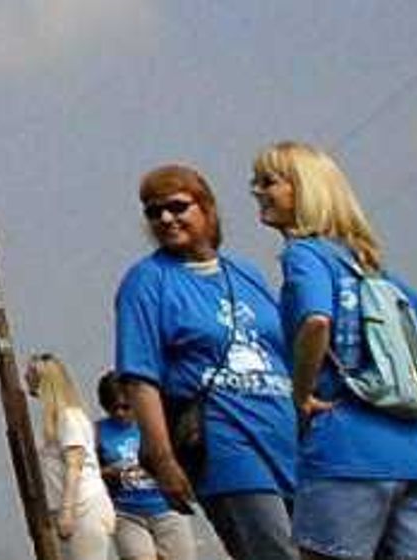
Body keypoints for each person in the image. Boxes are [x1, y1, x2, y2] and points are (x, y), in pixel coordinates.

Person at [251, 140, 417, 560]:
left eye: (268, 181)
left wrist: (301, 394)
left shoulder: (304, 255)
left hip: (346, 453)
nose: (257, 191)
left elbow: (316, 321)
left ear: (304, 189)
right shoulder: (367, 266)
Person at [114, 162, 299, 560]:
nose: (166, 218)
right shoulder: (148, 281)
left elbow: (286, 352)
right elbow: (140, 375)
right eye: (153, 211)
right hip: (224, 443)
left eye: (178, 207)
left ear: (206, 208)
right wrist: (161, 457)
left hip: (285, 438)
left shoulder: (246, 273)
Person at [36, 353, 118, 560]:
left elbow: (75, 464)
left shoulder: (68, 417)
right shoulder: (54, 420)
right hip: (72, 511)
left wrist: (67, 509)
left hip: (83, 509)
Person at [96, 372, 186, 560]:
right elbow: (90, 472)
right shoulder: (98, 432)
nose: (120, 413)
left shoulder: (155, 424)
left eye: (125, 407)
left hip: (166, 508)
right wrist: (109, 473)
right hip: (127, 513)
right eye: (113, 408)